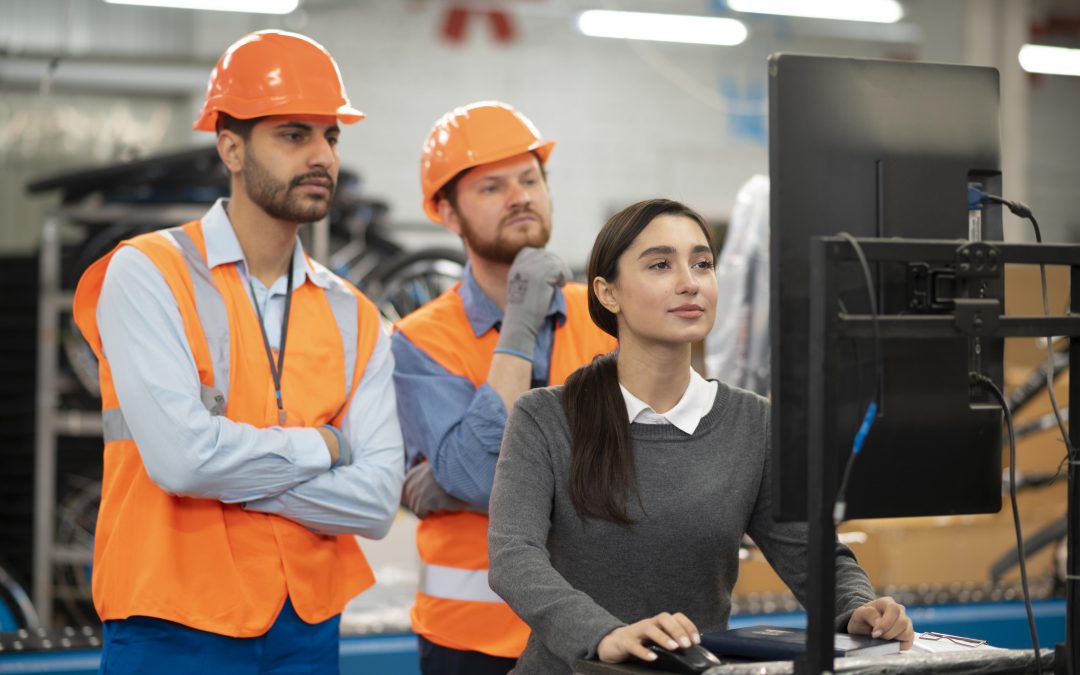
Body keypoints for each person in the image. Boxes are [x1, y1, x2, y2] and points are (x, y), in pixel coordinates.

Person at [72, 30, 404, 673]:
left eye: (330, 136)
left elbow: (373, 501)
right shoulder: (148, 272)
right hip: (172, 623)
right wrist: (326, 449)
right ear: (230, 146)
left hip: (305, 629)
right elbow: (183, 462)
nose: (321, 156)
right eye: (293, 134)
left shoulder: (353, 314)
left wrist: (230, 475)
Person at [488, 198, 914, 674]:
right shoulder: (544, 417)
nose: (689, 282)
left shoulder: (755, 423)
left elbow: (811, 554)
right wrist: (602, 634)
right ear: (608, 294)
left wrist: (859, 609)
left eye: (702, 263)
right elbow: (512, 558)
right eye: (661, 265)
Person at [392, 101, 618, 674]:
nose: (520, 195)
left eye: (530, 178)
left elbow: (651, 469)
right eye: (492, 187)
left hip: (601, 630)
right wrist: (518, 323)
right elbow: (473, 473)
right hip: (473, 642)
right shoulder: (421, 341)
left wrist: (473, 485)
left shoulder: (604, 320)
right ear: (446, 212)